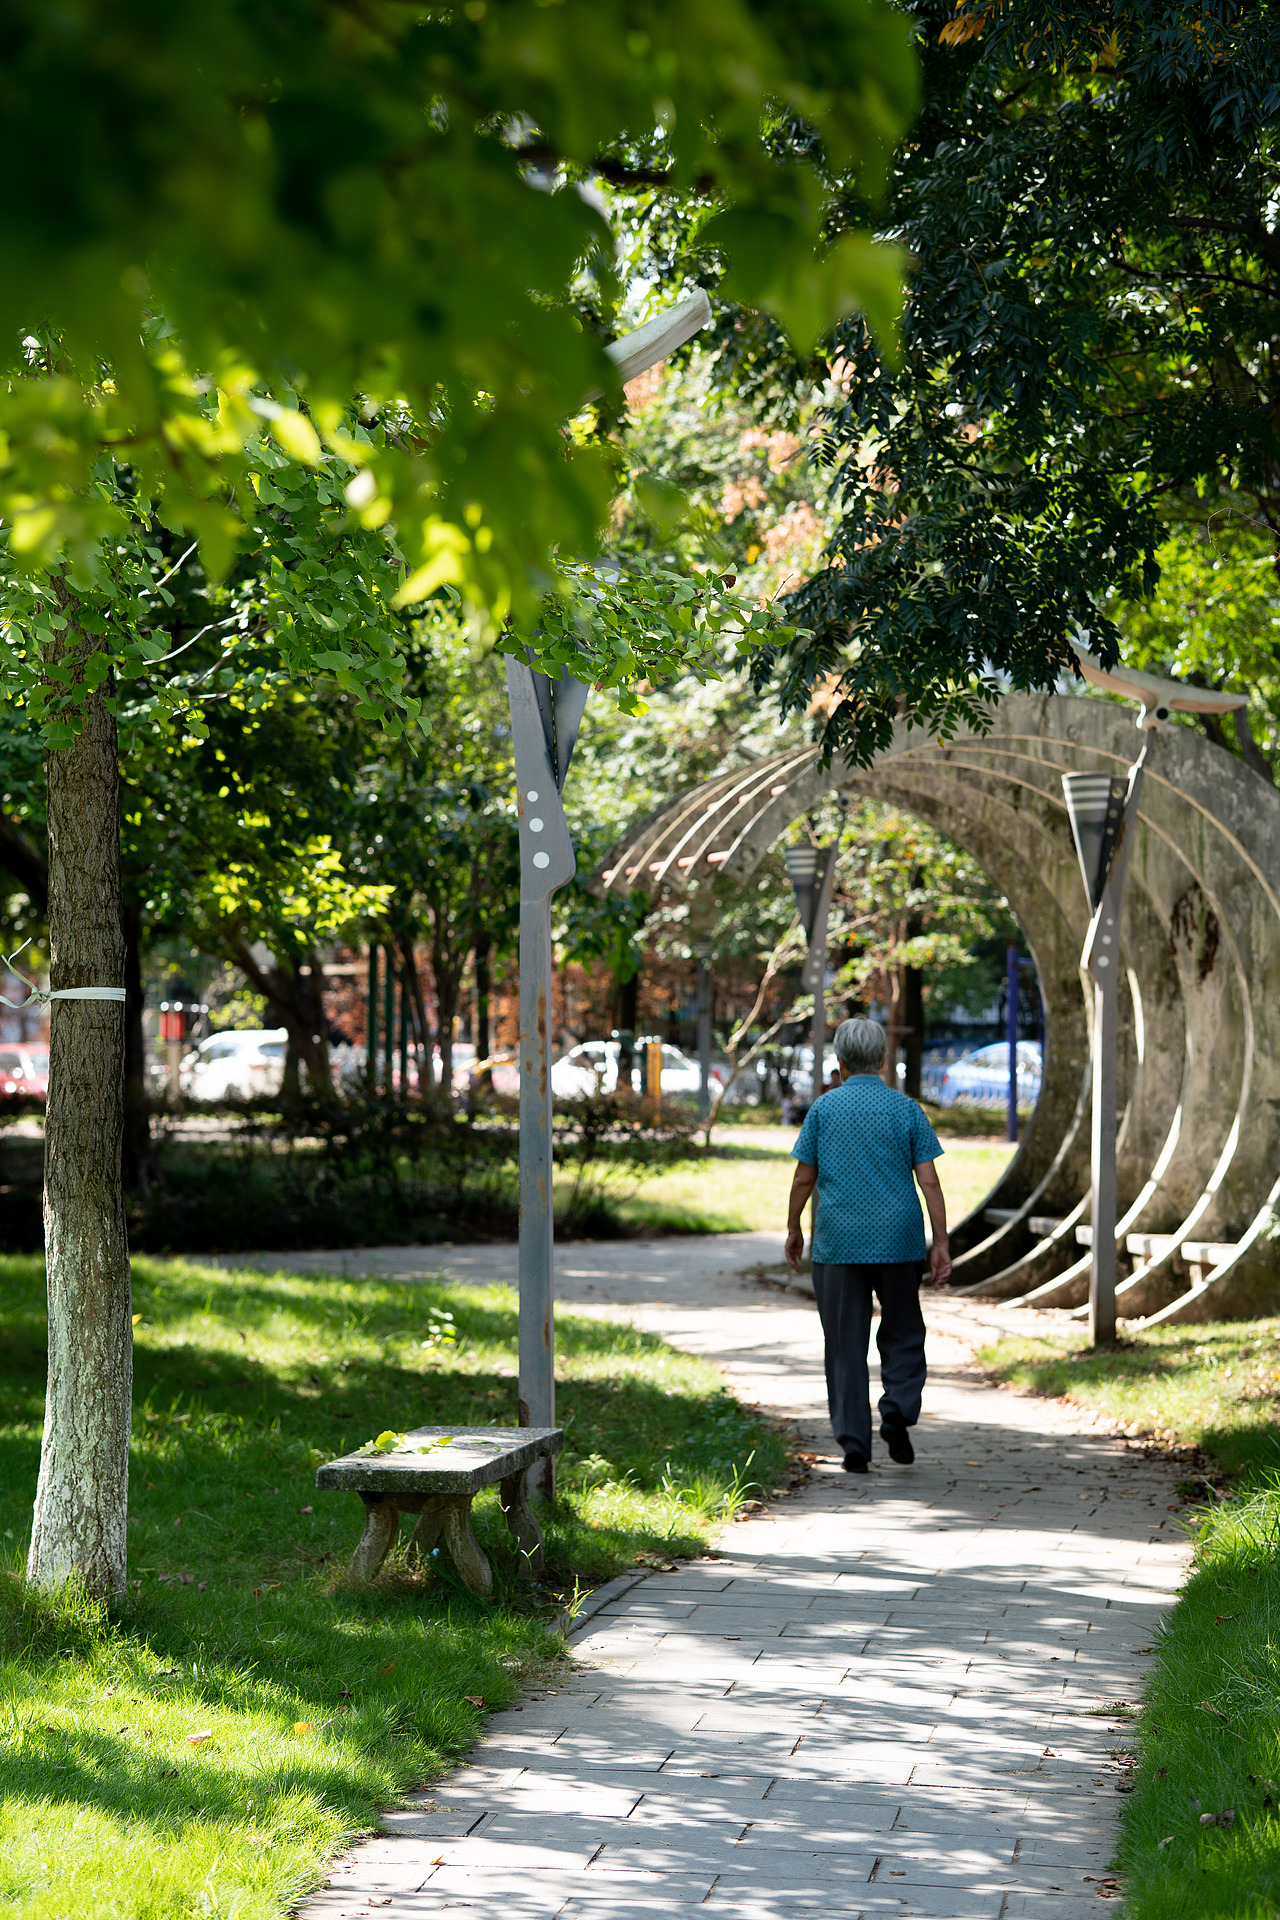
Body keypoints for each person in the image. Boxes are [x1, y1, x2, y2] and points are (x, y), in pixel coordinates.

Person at [784, 1016, 951, 1473]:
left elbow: (804, 1175)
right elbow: (929, 1182)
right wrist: (941, 1241)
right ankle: (897, 1407)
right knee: (903, 1331)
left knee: (843, 1341)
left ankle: (855, 1443)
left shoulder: (823, 1110)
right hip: (899, 1239)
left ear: (839, 1062)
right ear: (882, 1059)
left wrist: (794, 1224)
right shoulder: (907, 1110)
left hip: (839, 1240)